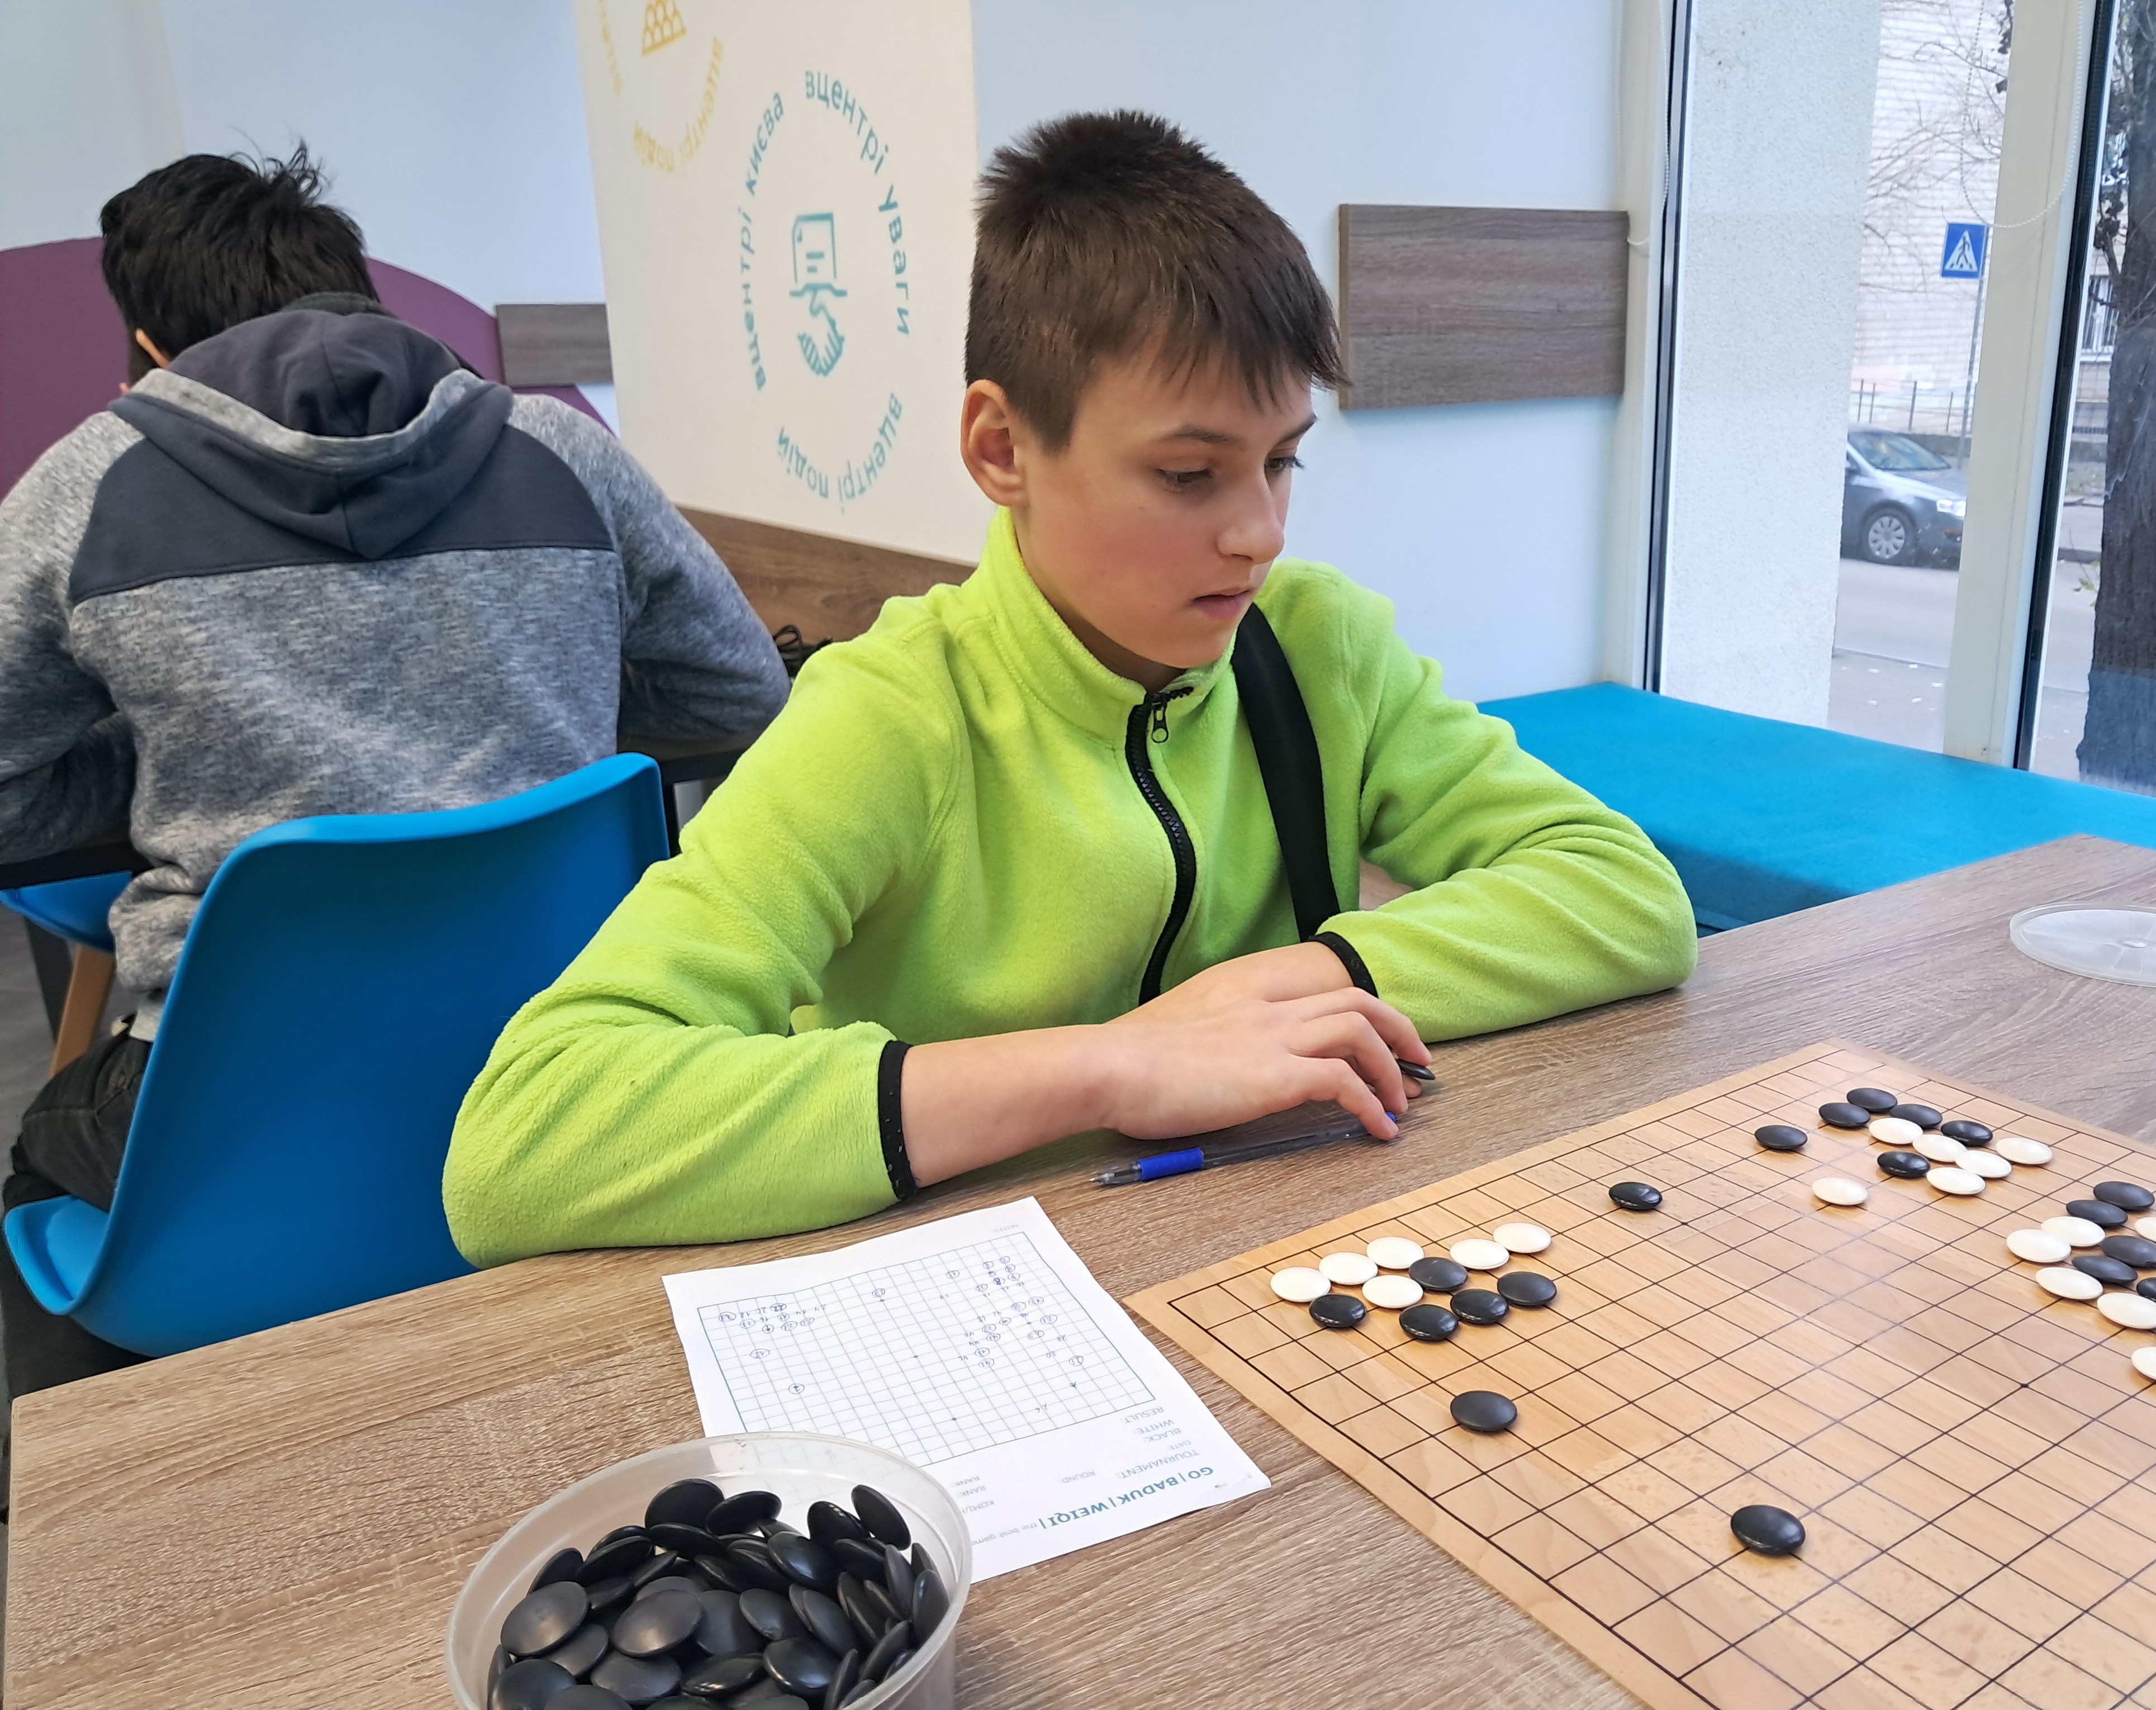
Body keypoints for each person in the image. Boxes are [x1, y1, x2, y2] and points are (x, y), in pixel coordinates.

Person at [441, 111, 1696, 1266]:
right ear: (1003, 449)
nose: (1259, 535)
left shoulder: (1319, 643)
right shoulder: (892, 714)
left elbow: (1625, 894)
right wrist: (1109, 1068)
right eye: (1190, 475)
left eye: (1283, 462)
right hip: (975, 1288)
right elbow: (523, 1142)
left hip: (1255, 1244)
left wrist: (1298, 981)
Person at [0, 148, 787, 1399]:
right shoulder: (562, 447)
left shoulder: (88, 486)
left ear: (150, 348)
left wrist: (165, 772)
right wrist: (548, 705)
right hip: (589, 1074)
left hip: (233, 1142)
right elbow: (741, 694)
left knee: (41, 1158)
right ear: (360, 298)